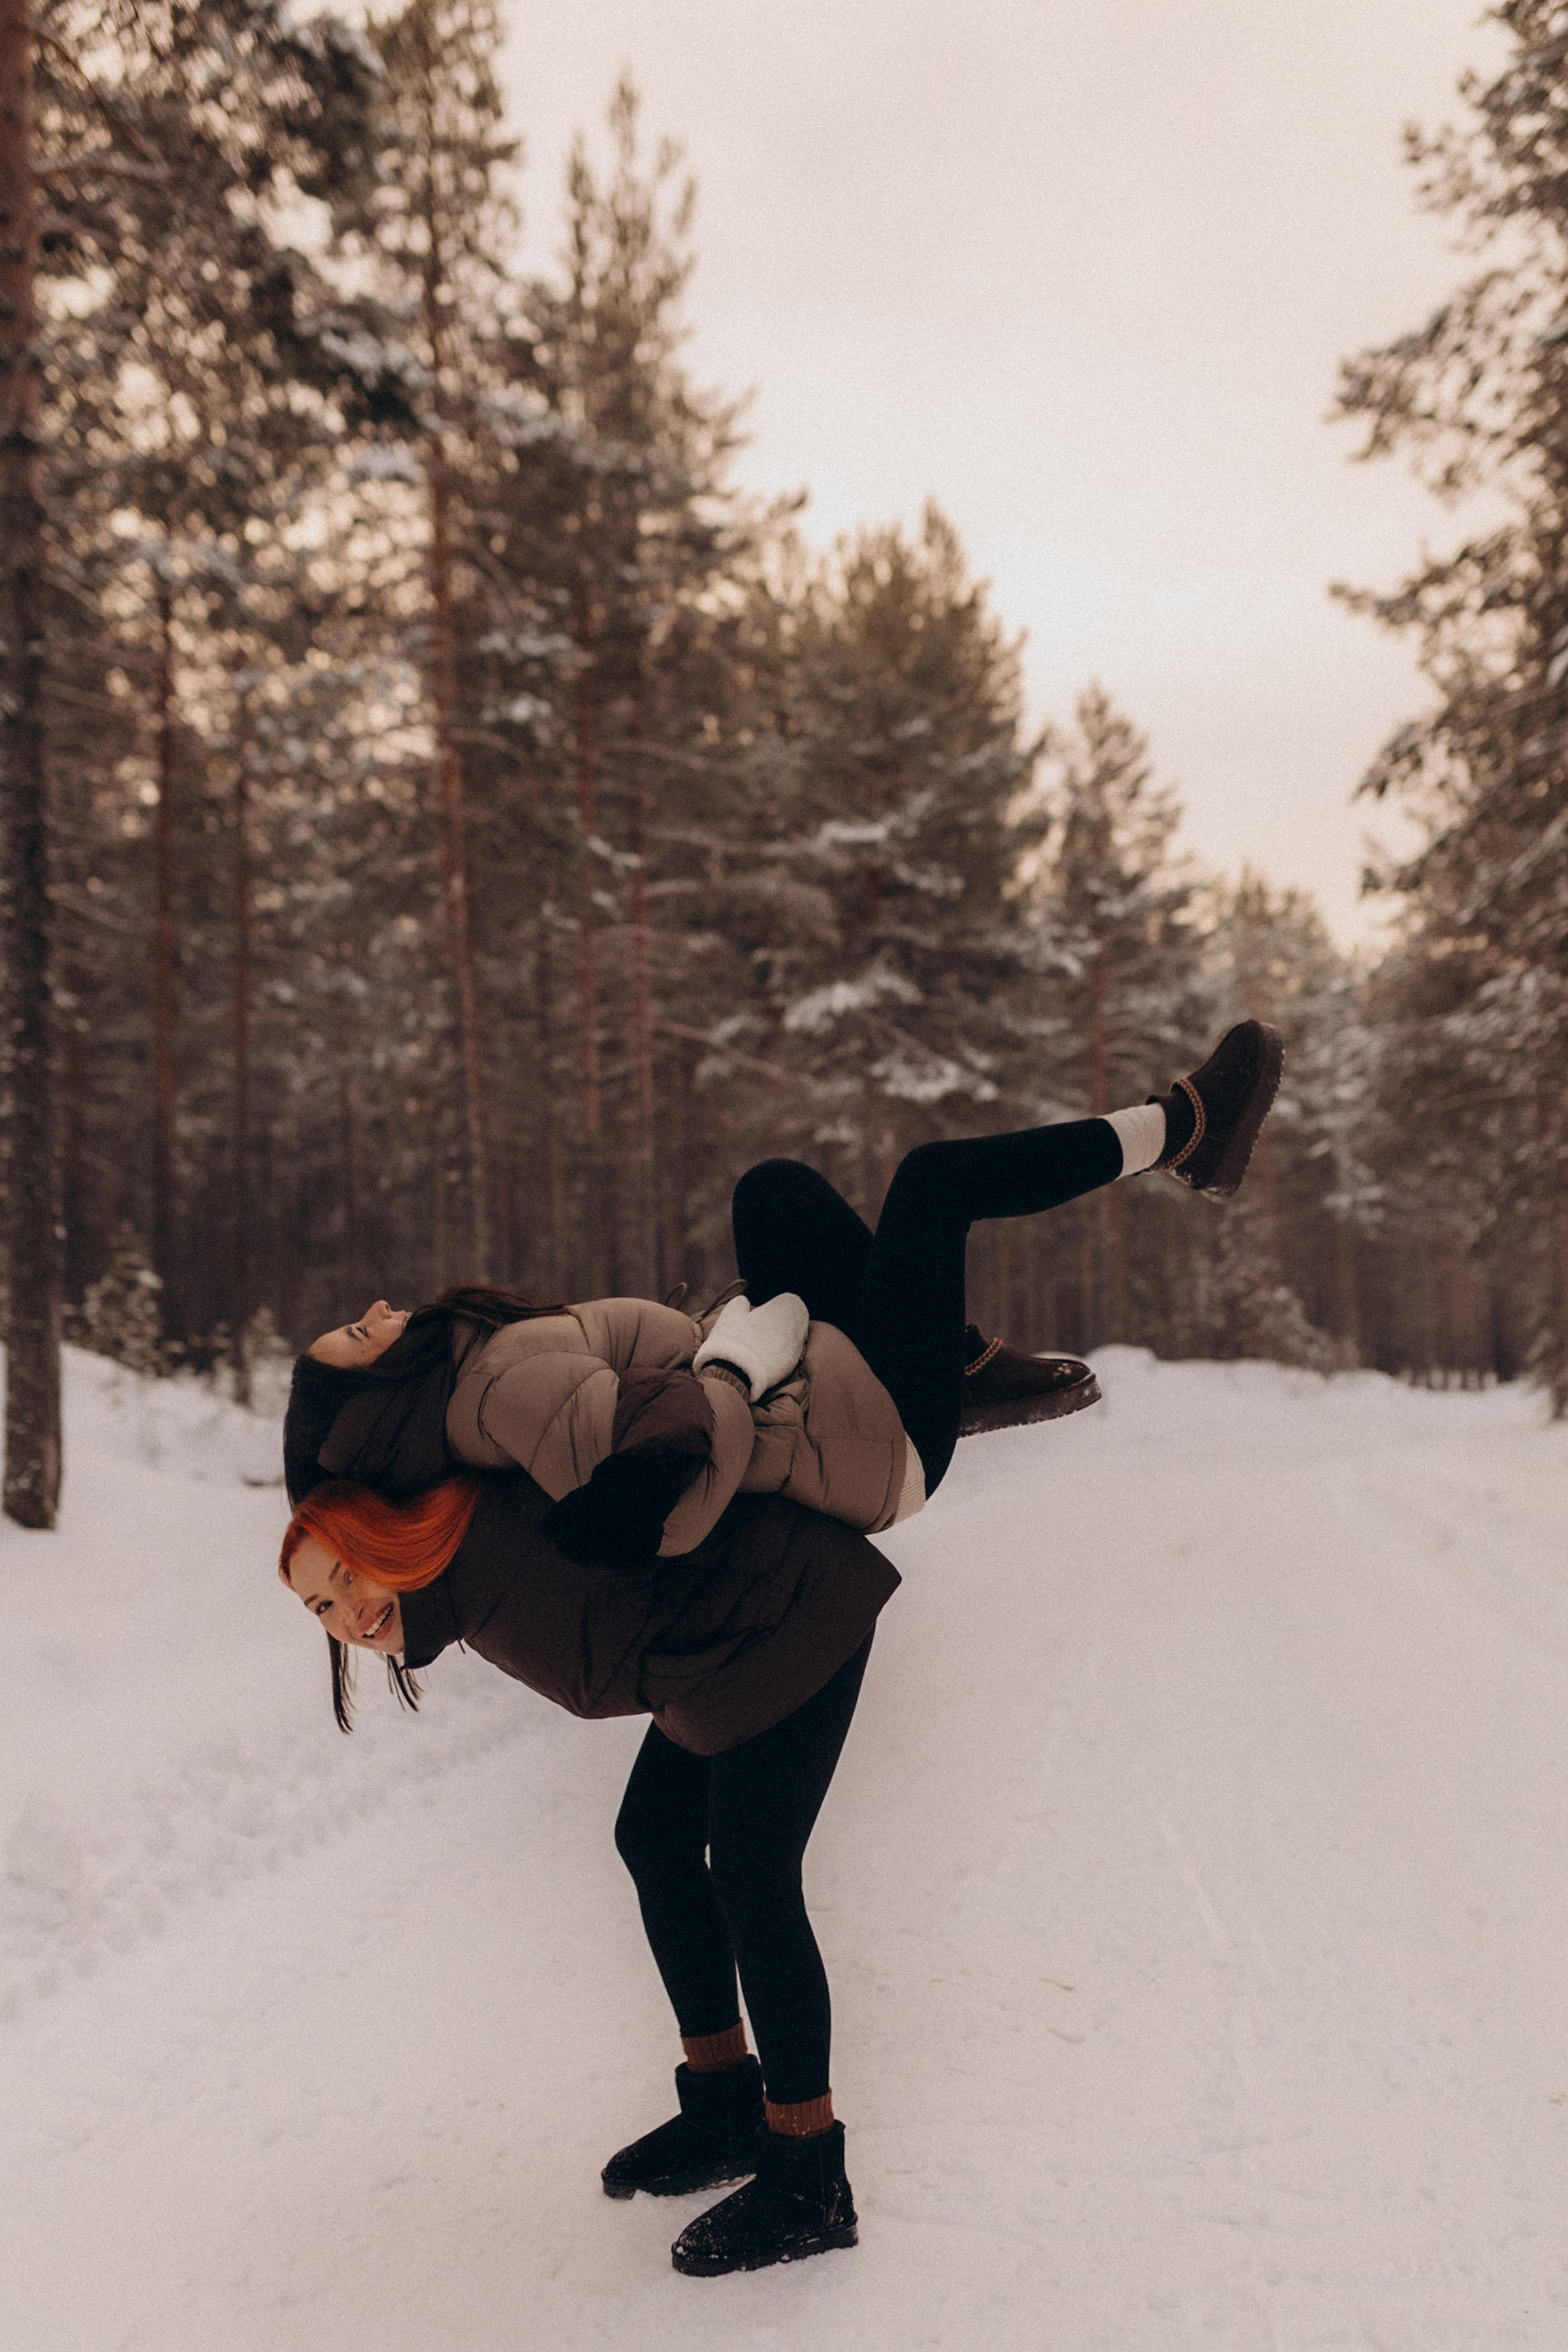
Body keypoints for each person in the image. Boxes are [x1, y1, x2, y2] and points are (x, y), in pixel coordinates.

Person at [276, 1019, 1281, 2278]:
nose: (373, 1310)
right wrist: (718, 1373)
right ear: (372, 1415)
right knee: (671, 1843)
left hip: (837, 1452)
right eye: (352, 1338)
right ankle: (725, 2110)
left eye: (336, 1593)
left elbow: (661, 1482)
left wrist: (721, 1366)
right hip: (840, 1454)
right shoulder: (481, 1414)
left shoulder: (483, 1397)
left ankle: (1175, 1134)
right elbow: (649, 1502)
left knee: (835, 1195)